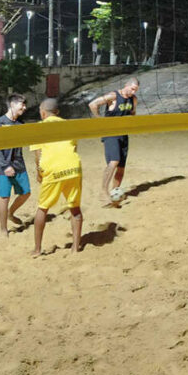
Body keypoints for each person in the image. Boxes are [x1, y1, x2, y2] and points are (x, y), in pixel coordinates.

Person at [29, 98, 83, 256]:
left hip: (53, 170)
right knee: (75, 208)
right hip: (73, 168)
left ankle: (37, 250)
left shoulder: (38, 128)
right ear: (57, 112)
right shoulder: (69, 125)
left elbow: (38, 155)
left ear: (43, 113)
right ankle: (75, 248)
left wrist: (39, 173)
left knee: (42, 208)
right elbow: (74, 147)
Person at [88, 77, 139, 206]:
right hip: (110, 133)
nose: (133, 92)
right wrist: (100, 120)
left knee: (121, 167)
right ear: (126, 85)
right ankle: (103, 191)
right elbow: (93, 104)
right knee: (114, 161)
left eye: (136, 90)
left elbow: (133, 113)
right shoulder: (113, 96)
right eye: (132, 89)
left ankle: (114, 192)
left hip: (123, 134)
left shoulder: (133, 99)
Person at [0, 93, 31, 236]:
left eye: (25, 104)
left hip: (18, 163)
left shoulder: (20, 123)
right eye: (22, 104)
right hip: (2, 165)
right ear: (12, 105)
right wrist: (5, 166)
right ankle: (3, 229)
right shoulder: (0, 123)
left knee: (26, 193)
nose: (24, 107)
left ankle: (10, 213)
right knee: (4, 197)